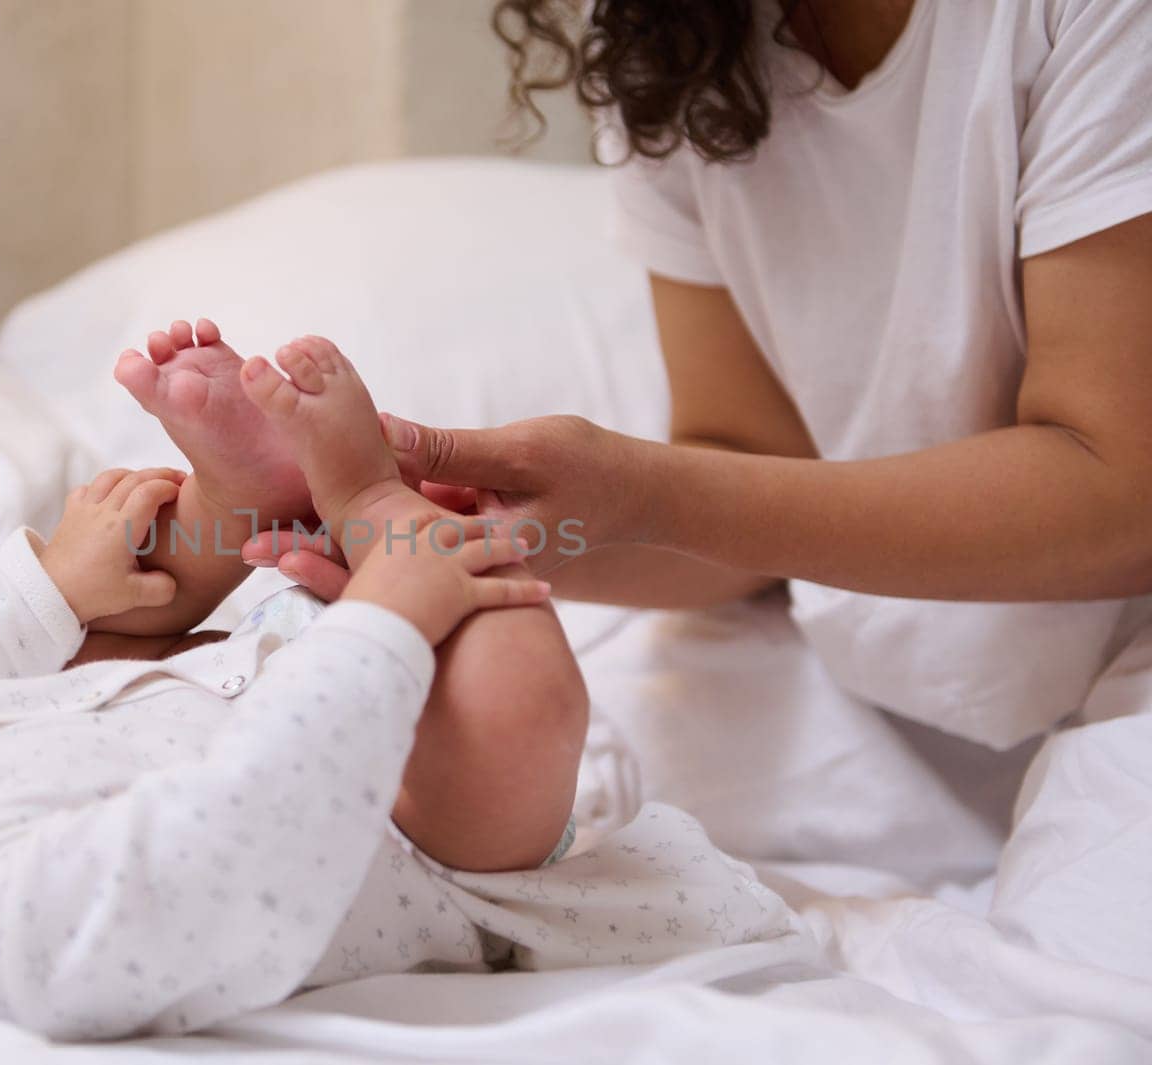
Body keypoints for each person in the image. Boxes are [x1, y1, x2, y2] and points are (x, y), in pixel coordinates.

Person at [0, 321, 799, 1039]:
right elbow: (233, 850)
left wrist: (51, 591)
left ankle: (231, 509)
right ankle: (368, 504)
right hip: (420, 834)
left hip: (241, 685)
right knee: (516, 708)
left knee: (116, 630)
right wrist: (382, 620)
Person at [247, 0, 1152, 984]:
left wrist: (649, 493)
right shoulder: (670, 33)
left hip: (1124, 625)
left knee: (1078, 988)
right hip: (885, 657)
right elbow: (747, 470)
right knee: (481, 812)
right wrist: (496, 532)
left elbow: (1120, 493)